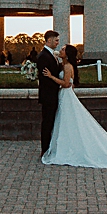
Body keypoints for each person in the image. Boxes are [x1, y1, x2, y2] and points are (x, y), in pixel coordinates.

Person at [36, 29, 65, 158]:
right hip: (48, 95)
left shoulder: (53, 55)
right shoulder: (43, 56)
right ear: (49, 40)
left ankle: (51, 147)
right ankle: (45, 148)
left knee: (52, 121)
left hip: (54, 94)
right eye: (56, 40)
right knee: (47, 122)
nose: (58, 43)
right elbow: (44, 78)